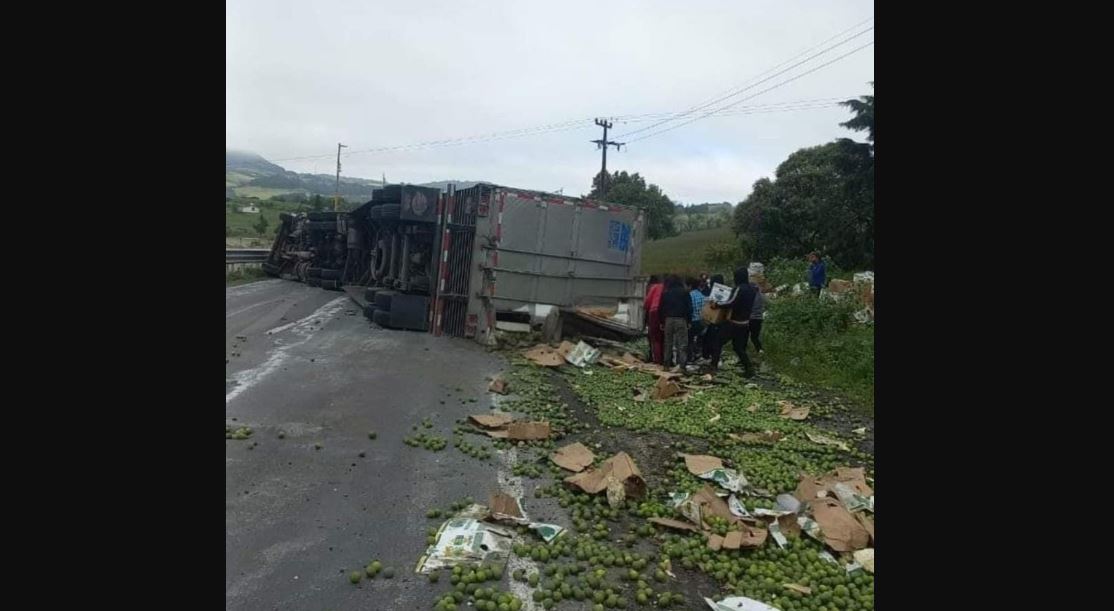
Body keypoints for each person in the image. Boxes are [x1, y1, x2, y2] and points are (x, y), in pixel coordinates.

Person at [711, 267, 758, 377]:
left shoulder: (739, 289)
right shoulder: (752, 289)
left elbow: (731, 302)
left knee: (718, 343)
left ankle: (713, 367)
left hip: (733, 323)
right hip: (745, 323)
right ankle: (749, 369)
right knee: (738, 347)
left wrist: (716, 305)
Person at [659, 275, 692, 369]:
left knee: (668, 343)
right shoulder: (685, 293)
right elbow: (689, 308)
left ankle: (666, 365)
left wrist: (662, 322)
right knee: (682, 344)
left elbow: (661, 308)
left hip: (668, 320)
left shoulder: (666, 293)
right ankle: (682, 365)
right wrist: (689, 321)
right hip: (681, 320)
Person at [702, 273, 726, 361]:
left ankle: (711, 359)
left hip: (714, 320)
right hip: (721, 321)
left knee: (711, 340)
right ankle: (712, 358)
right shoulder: (726, 292)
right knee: (715, 340)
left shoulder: (714, 291)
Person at [643, 276, 664, 363]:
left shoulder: (655, 287)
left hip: (654, 312)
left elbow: (647, 303)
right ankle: (665, 359)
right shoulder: (666, 287)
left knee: (655, 338)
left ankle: (657, 360)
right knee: (663, 337)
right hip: (665, 313)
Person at [686, 277, 706, 363]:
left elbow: (688, 310)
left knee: (689, 339)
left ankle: (690, 357)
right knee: (698, 338)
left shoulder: (689, 295)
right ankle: (698, 353)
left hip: (692, 321)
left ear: (690, 286)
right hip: (701, 322)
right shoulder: (703, 296)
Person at [749, 281, 765, 355]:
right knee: (755, 337)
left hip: (751, 318)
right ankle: (760, 350)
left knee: (746, 335)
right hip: (759, 318)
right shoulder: (761, 296)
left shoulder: (751, 297)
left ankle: (758, 350)